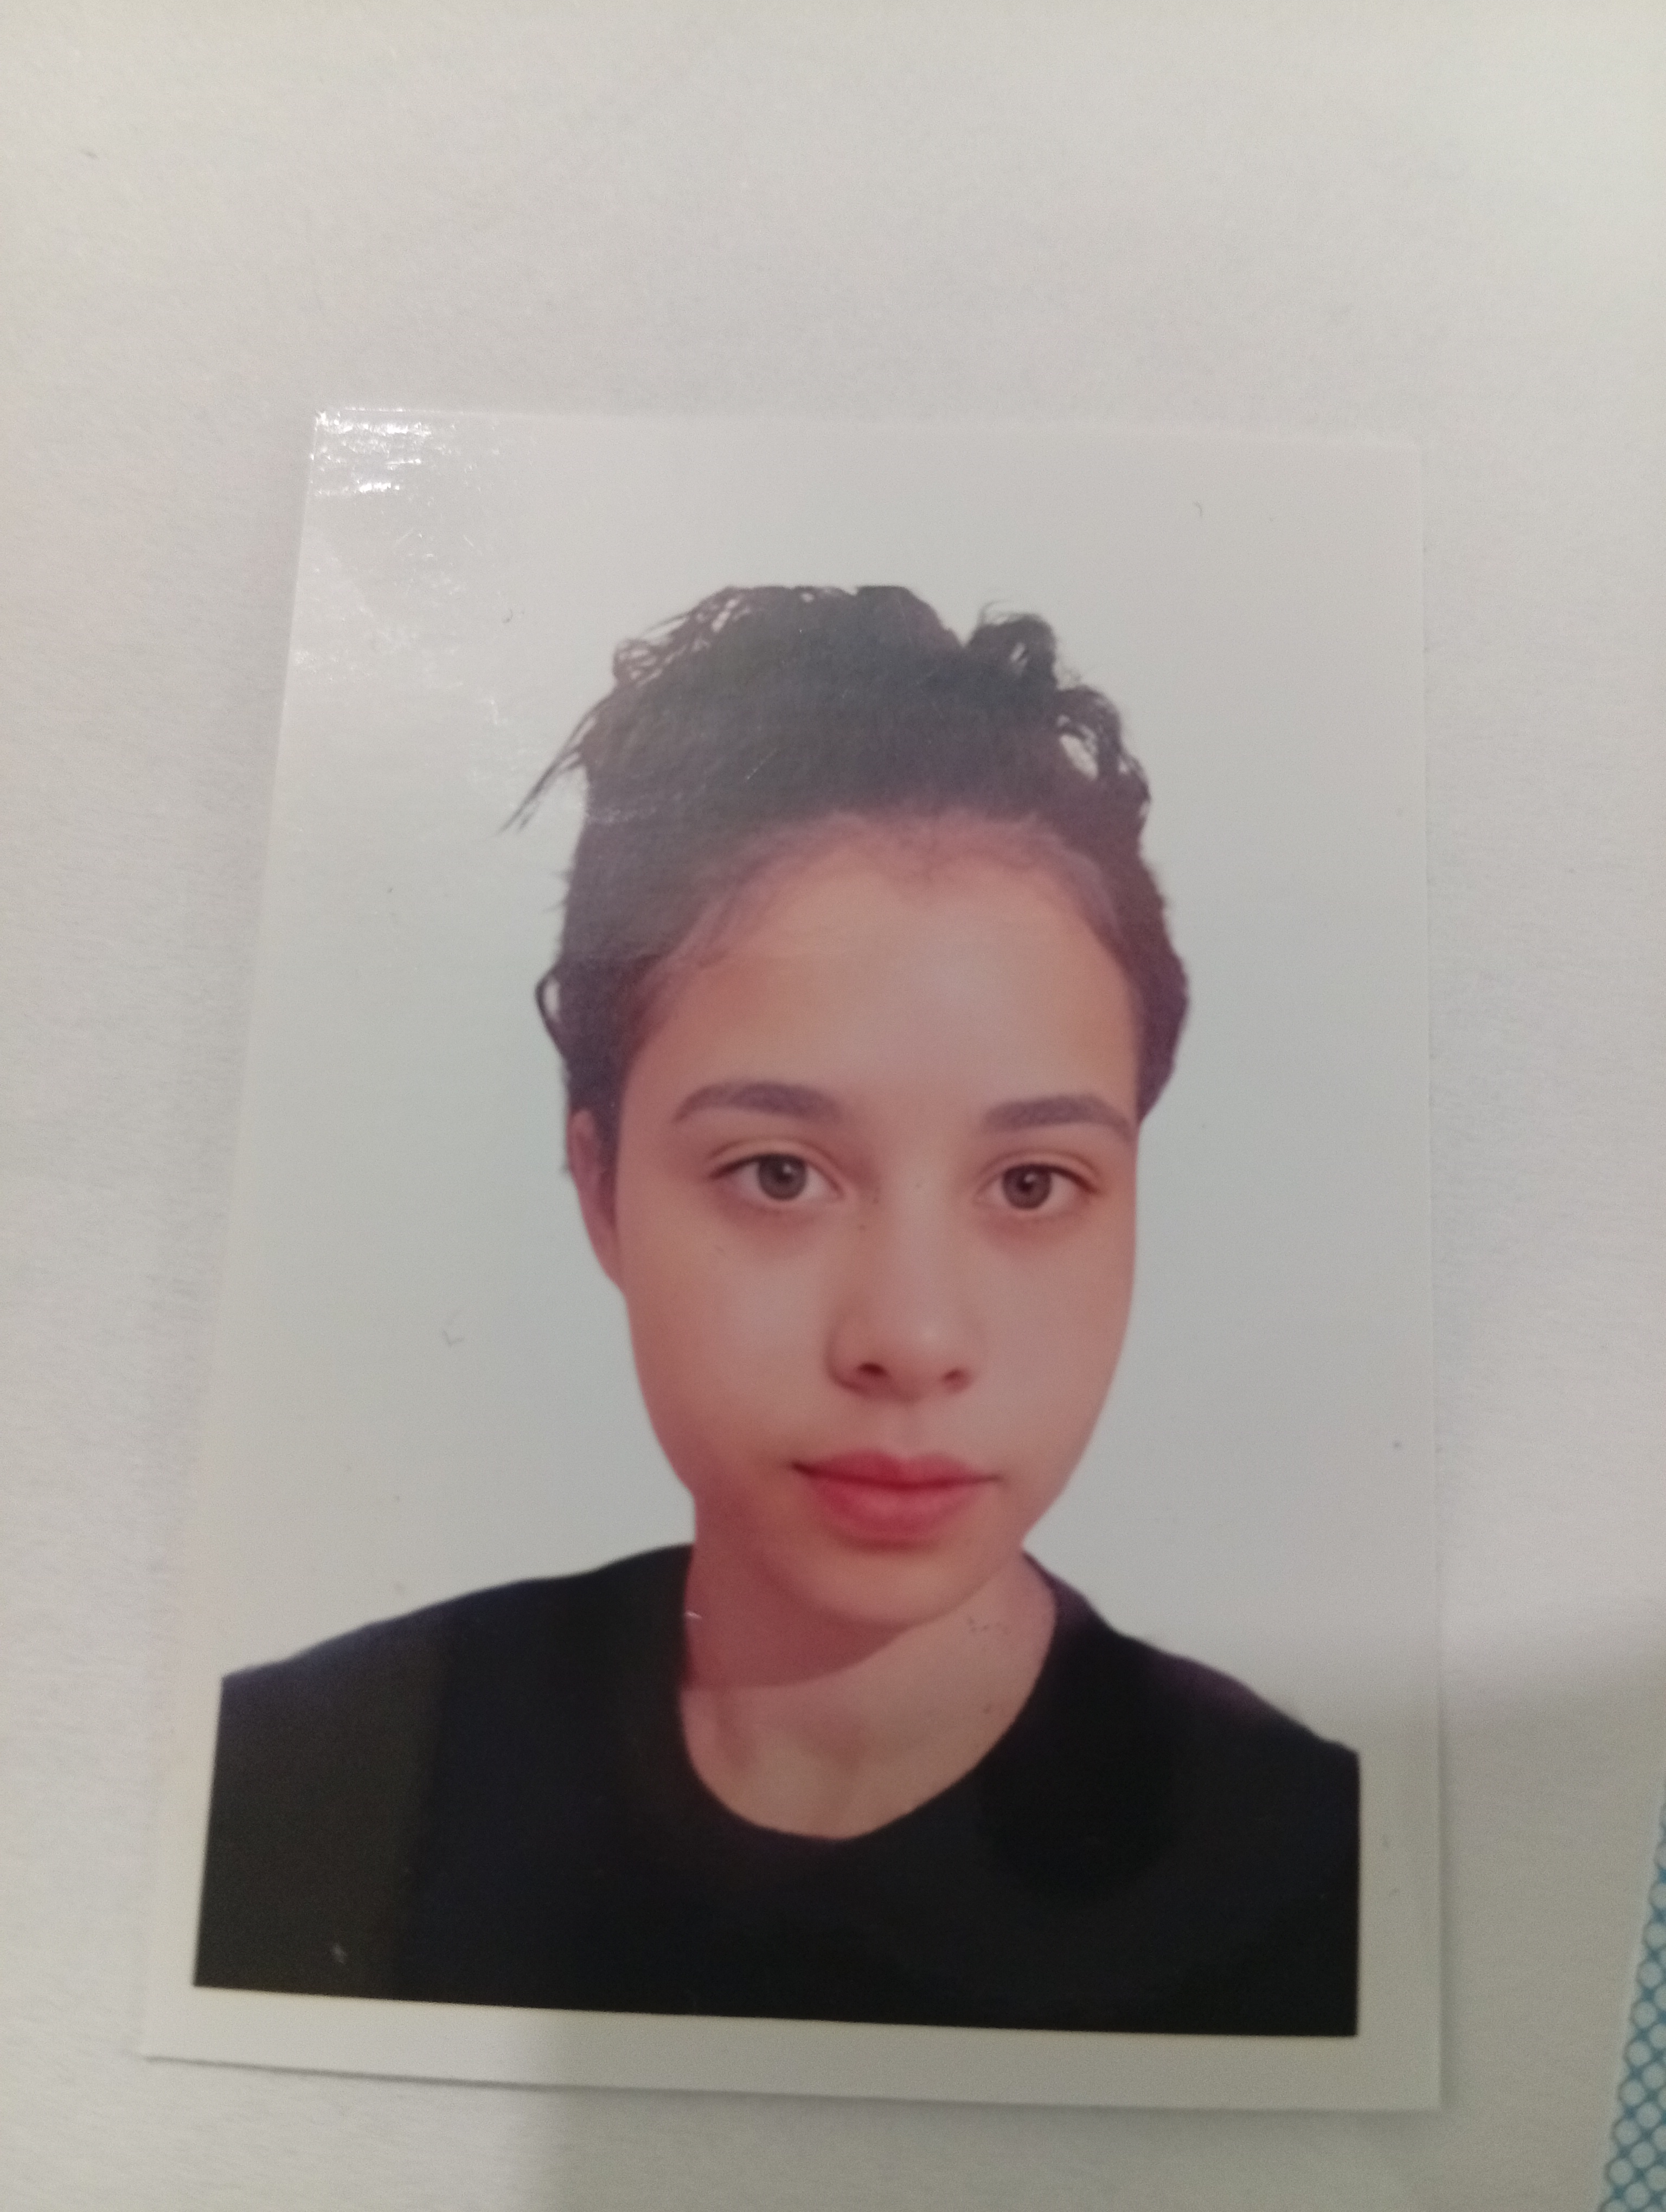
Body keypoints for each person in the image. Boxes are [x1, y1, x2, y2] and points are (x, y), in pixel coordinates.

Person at [195, 586, 1359, 2035]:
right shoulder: (294, 1789)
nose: (911, 1340)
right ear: (601, 1186)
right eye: (780, 1173)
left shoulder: (1319, 1884)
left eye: (1033, 1184)